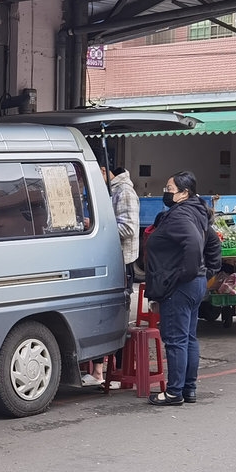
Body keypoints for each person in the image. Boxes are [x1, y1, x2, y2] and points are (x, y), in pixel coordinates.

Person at [143, 170, 221, 405]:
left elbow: (194, 243)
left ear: (184, 192)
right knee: (188, 338)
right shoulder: (196, 211)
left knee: (176, 340)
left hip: (181, 285)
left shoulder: (181, 216)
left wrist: (183, 275)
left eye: (169, 189)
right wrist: (206, 271)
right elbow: (213, 243)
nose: (165, 192)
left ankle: (174, 392)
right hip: (194, 284)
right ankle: (188, 389)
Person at [87, 164, 140, 385]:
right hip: (106, 260)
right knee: (101, 314)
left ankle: (117, 372)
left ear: (102, 169)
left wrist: (96, 227)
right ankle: (99, 373)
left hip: (121, 263)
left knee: (117, 316)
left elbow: (128, 228)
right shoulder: (107, 189)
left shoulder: (124, 191)